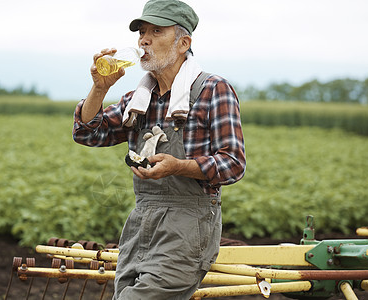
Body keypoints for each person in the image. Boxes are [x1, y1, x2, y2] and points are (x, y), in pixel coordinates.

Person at [73, 0, 246, 298]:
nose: (144, 39)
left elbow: (232, 163)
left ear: (183, 43)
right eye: (141, 32)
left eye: (156, 31)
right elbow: (88, 133)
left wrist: (179, 166)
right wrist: (99, 88)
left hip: (189, 227)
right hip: (140, 224)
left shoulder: (212, 90)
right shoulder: (139, 98)